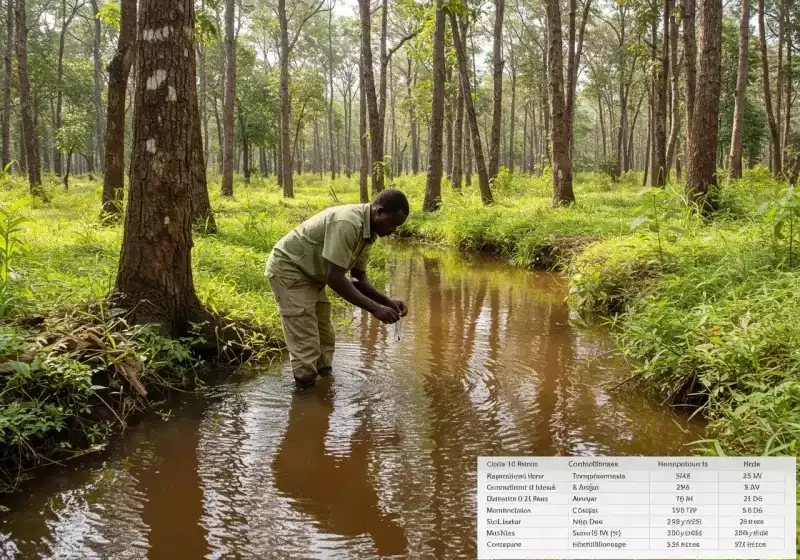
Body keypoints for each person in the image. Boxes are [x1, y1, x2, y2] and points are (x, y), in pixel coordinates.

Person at [266, 189, 410, 387]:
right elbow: (335, 279)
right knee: (305, 343)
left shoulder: (370, 232)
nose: (393, 230)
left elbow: (358, 278)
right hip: (289, 270)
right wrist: (375, 309)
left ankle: (325, 384)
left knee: (325, 337)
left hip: (313, 274)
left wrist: (387, 302)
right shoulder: (348, 222)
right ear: (380, 211)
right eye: (393, 223)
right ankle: (306, 398)